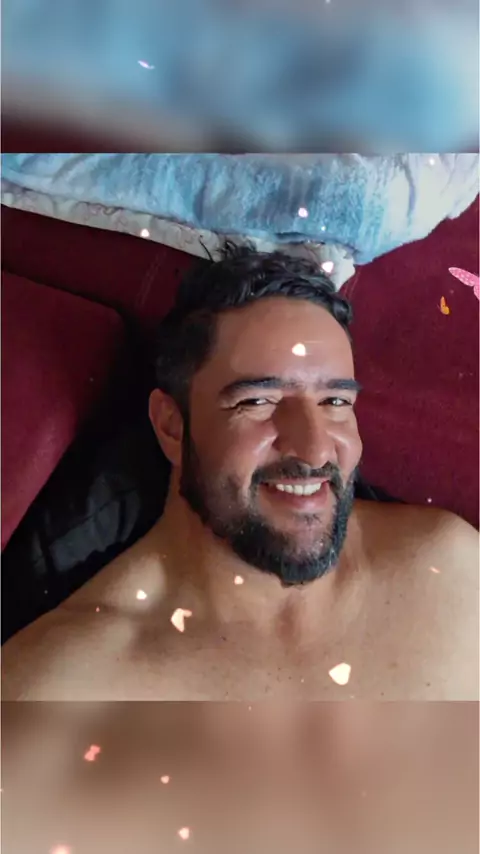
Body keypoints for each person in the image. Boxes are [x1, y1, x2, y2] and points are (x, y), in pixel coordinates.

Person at [2, 243, 478, 701]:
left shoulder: (453, 570)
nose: (315, 450)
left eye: (335, 401)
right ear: (171, 427)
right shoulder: (64, 691)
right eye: (258, 401)